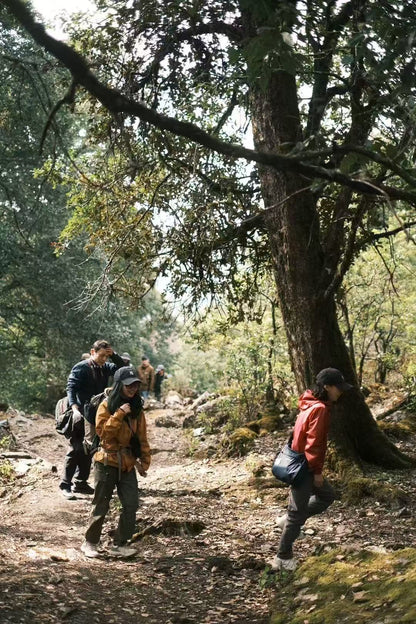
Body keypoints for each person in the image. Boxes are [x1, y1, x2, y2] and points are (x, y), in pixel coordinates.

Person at [271, 367, 352, 572]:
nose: (340, 392)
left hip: (299, 462)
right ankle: (283, 557)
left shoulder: (309, 404)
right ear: (327, 387)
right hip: (305, 467)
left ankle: (287, 522)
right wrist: (317, 471)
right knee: (297, 514)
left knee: (327, 496)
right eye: (337, 388)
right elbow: (314, 443)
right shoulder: (320, 409)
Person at [81, 366, 151, 558]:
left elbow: (142, 436)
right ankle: (90, 542)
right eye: (129, 385)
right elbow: (103, 432)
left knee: (131, 504)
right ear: (119, 385)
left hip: (127, 463)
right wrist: (119, 413)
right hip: (106, 460)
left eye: (135, 385)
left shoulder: (137, 409)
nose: (132, 389)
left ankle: (120, 543)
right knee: (101, 504)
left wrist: (145, 460)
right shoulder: (106, 405)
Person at [59, 340, 125, 499]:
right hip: (79, 412)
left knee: (90, 446)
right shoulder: (81, 367)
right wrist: (74, 408)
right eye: (101, 355)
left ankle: (80, 482)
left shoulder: (105, 367)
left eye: (105, 356)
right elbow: (71, 388)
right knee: (76, 447)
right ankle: (65, 484)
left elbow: (123, 370)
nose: (103, 359)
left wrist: (113, 355)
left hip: (96, 412)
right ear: (92, 352)